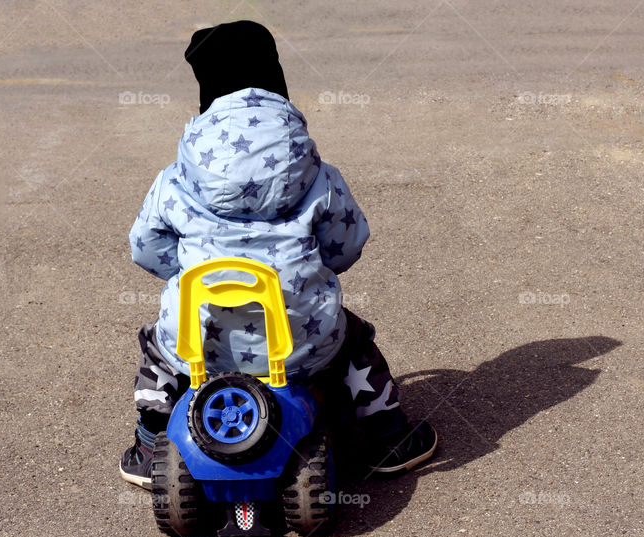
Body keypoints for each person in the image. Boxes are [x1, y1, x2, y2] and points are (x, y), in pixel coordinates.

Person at [120, 20, 437, 489]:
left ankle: (150, 446)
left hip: (203, 343)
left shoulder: (175, 177)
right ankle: (387, 436)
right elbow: (345, 246)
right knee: (350, 339)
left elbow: (145, 248)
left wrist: (187, 274)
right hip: (300, 343)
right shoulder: (317, 173)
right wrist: (315, 268)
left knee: (160, 349)